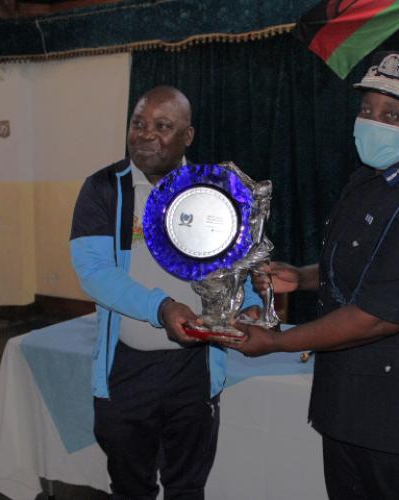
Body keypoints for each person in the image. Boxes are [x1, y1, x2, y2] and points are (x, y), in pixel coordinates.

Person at [227, 52, 399, 500]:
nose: (372, 121)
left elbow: (377, 315)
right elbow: (360, 268)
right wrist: (301, 278)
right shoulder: (369, 179)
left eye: (391, 114)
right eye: (366, 109)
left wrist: (277, 341)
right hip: (349, 405)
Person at [70, 85, 261, 500]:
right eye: (138, 123)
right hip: (126, 370)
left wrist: (248, 307)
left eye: (162, 126)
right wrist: (161, 308)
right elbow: (94, 273)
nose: (146, 134)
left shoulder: (216, 192)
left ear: (187, 136)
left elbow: (236, 270)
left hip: (194, 369)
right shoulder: (104, 188)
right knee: (130, 487)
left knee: (187, 487)